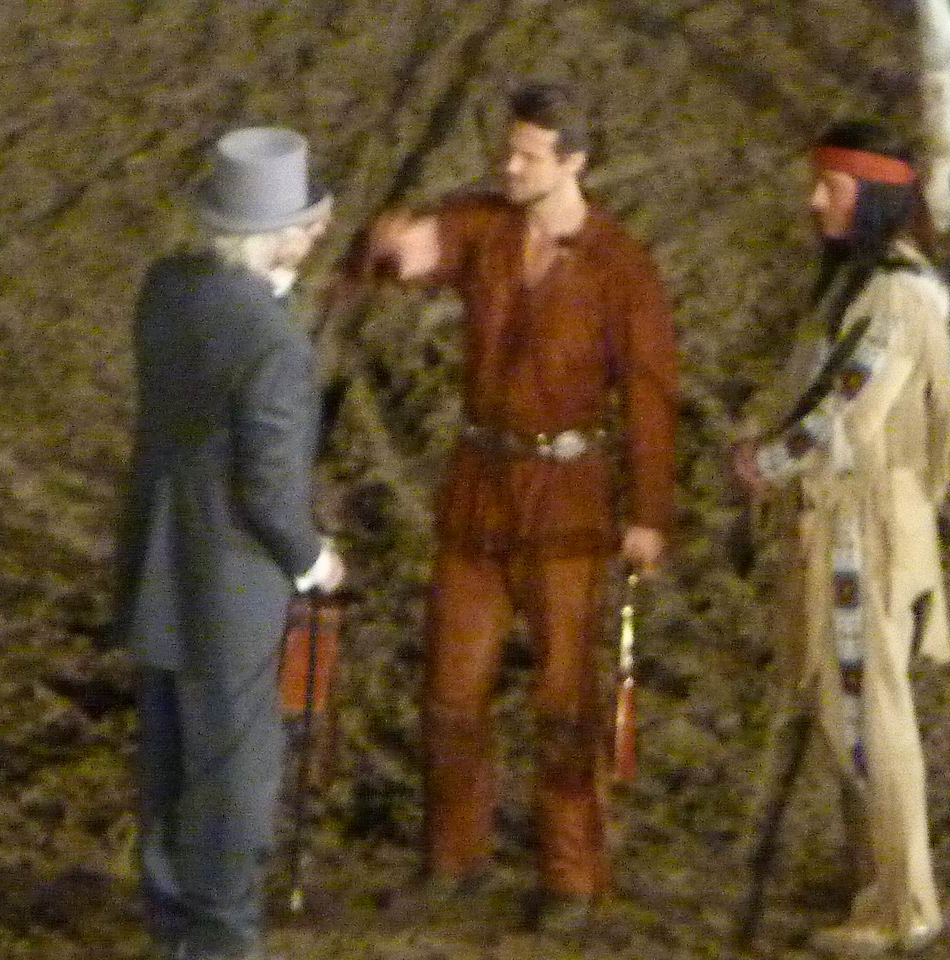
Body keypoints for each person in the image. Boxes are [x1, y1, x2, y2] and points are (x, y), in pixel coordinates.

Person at [345, 81, 677, 926]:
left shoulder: (621, 267)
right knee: (452, 692)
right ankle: (454, 857)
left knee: (565, 698)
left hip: (567, 503)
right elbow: (409, 256)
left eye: (529, 155)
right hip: (479, 492)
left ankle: (571, 875)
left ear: (575, 162)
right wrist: (388, 247)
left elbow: (648, 395)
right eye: (510, 150)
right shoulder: (484, 228)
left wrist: (648, 512)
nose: (510, 165)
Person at [116, 126, 346, 960]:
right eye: (307, 222)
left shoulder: (166, 289)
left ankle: (172, 929)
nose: (317, 232)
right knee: (233, 775)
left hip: (157, 562)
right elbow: (269, 489)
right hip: (233, 584)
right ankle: (218, 940)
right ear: (280, 236)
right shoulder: (275, 343)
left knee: (168, 762)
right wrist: (314, 560)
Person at [733, 121, 950, 956]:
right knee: (852, 708)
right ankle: (884, 888)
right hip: (845, 516)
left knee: (869, 711)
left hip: (862, 525)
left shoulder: (897, 294)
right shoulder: (858, 287)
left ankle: (904, 904)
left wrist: (766, 462)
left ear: (874, 197)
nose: (813, 200)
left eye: (830, 187)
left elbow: (845, 408)